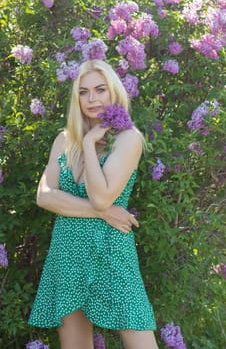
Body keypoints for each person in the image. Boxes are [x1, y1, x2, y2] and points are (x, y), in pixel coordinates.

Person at [28, 59, 159, 349]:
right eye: (84, 92)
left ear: (113, 92)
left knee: (139, 337)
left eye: (100, 90)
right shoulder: (63, 140)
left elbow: (101, 197)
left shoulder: (127, 139)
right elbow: (44, 195)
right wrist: (106, 213)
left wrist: (89, 145)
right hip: (68, 249)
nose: (92, 99)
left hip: (110, 249)